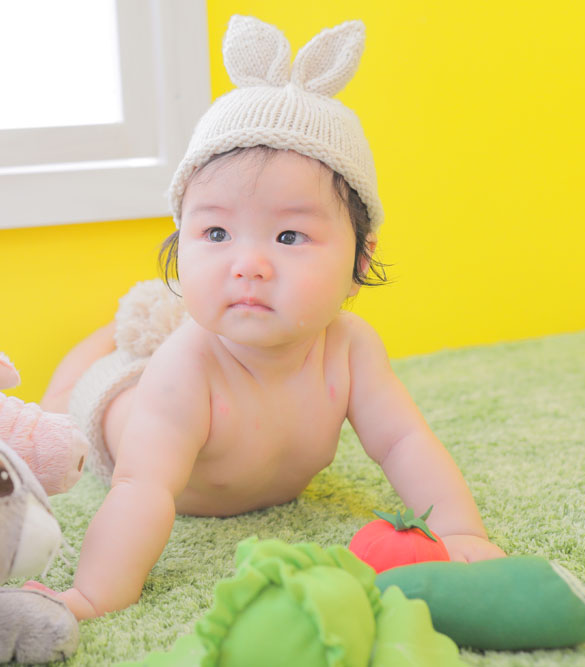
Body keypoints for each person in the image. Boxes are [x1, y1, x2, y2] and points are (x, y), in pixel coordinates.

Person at [32, 15, 506, 620]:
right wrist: (92, 594)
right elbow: (140, 489)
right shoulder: (187, 365)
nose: (249, 265)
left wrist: (459, 531)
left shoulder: (351, 348)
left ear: (360, 259)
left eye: (288, 236)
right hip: (122, 410)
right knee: (79, 396)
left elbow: (404, 441)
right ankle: (104, 344)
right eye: (216, 233)